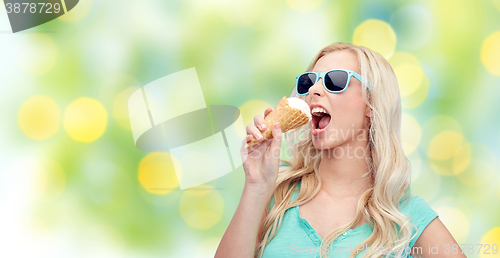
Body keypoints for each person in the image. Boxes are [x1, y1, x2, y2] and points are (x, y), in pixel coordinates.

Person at [215, 42, 465, 258]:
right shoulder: (275, 196)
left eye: (335, 80)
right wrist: (257, 185)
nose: (313, 90)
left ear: (371, 103)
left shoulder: (405, 216)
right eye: (308, 82)